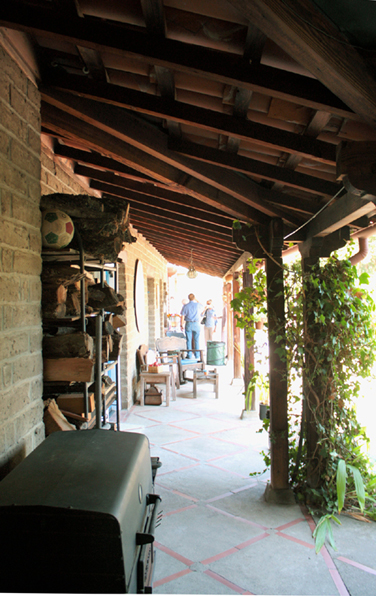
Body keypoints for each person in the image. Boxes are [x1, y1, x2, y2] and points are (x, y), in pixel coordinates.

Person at [180, 293, 203, 358]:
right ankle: (197, 355)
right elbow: (202, 305)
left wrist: (181, 325)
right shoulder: (197, 305)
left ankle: (189, 355)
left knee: (188, 340)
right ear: (194, 298)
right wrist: (196, 299)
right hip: (196, 323)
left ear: (188, 298)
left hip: (188, 323)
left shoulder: (185, 306)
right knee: (196, 340)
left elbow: (182, 316)